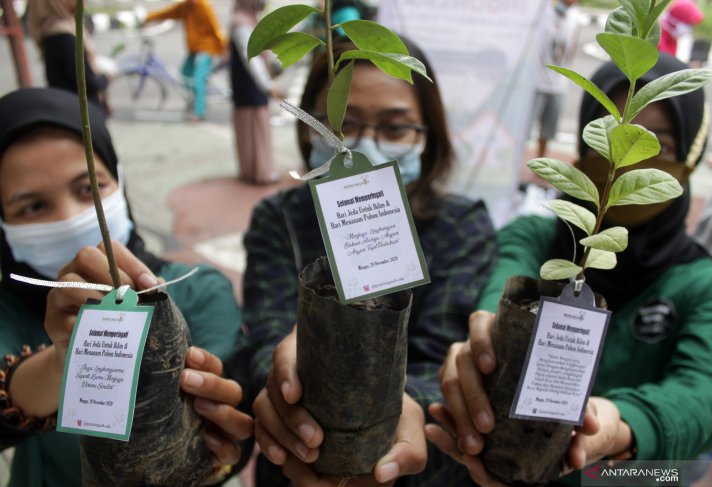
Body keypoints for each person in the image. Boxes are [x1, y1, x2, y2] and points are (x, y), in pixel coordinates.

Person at [428, 53, 712, 485]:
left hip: (634, 472)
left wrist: (621, 426)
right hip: (499, 456)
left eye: (657, 143)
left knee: (685, 467)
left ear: (689, 157)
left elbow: (708, 395)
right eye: (611, 141)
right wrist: (488, 331)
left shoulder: (709, 286)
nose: (627, 161)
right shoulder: (534, 237)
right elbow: (504, 280)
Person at [238, 38, 498, 485]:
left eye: (396, 128)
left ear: (428, 138)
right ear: (308, 128)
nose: (363, 148)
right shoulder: (279, 220)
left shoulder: (460, 226)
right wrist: (285, 384)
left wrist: (393, 413)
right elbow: (267, 334)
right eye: (341, 125)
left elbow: (442, 355)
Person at [0, 87, 252, 486]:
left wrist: (216, 456)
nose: (70, 218)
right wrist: (67, 360)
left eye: (88, 188)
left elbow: (233, 420)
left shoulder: (197, 290)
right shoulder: (8, 309)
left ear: (120, 183)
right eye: (33, 206)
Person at [144, 0, 227, 122]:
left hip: (206, 48)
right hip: (194, 49)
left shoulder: (203, 6)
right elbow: (167, 13)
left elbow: (216, 28)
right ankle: (197, 98)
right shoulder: (185, 7)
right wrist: (148, 18)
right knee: (185, 74)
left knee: (198, 79)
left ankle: (199, 112)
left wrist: (223, 49)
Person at [26, 0, 111, 112]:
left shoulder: (53, 29)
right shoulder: (62, 35)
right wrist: (105, 78)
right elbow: (84, 82)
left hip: (67, 106)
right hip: (77, 110)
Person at [229, 0, 280, 185]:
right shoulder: (241, 23)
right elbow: (250, 57)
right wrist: (267, 84)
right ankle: (261, 171)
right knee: (256, 126)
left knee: (251, 127)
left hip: (247, 84)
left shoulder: (247, 20)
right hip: (251, 84)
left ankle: (252, 170)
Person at [531, 0, 580, 159]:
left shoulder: (574, 17)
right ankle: (516, 168)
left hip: (558, 85)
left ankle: (540, 164)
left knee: (547, 132)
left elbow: (571, 48)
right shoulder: (543, 12)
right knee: (525, 128)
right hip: (536, 82)